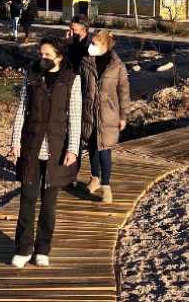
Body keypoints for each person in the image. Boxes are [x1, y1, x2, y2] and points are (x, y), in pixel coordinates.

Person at [8, 38, 81, 268]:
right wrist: (15, 142)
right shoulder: (31, 75)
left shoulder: (72, 79)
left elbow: (76, 116)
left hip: (57, 150)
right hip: (31, 146)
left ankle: (43, 249)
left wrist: (73, 149)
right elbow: (22, 109)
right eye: (41, 54)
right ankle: (23, 249)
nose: (42, 59)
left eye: (47, 55)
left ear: (59, 56)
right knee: (27, 198)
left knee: (49, 204)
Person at [80, 30, 129, 203]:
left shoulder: (117, 65)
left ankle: (106, 186)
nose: (91, 46)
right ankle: (95, 178)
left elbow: (123, 91)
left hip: (108, 114)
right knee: (92, 147)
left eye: (95, 43)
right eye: (91, 43)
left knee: (104, 150)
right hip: (88, 113)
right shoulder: (85, 62)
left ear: (105, 45)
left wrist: (123, 116)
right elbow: (80, 87)